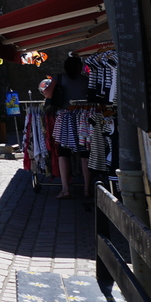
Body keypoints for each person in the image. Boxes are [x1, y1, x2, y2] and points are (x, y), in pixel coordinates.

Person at [44, 55, 92, 199]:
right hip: (84, 117)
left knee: (63, 153)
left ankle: (65, 189)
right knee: (85, 154)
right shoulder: (86, 80)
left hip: (64, 117)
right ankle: (87, 189)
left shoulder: (58, 78)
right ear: (79, 67)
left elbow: (47, 94)